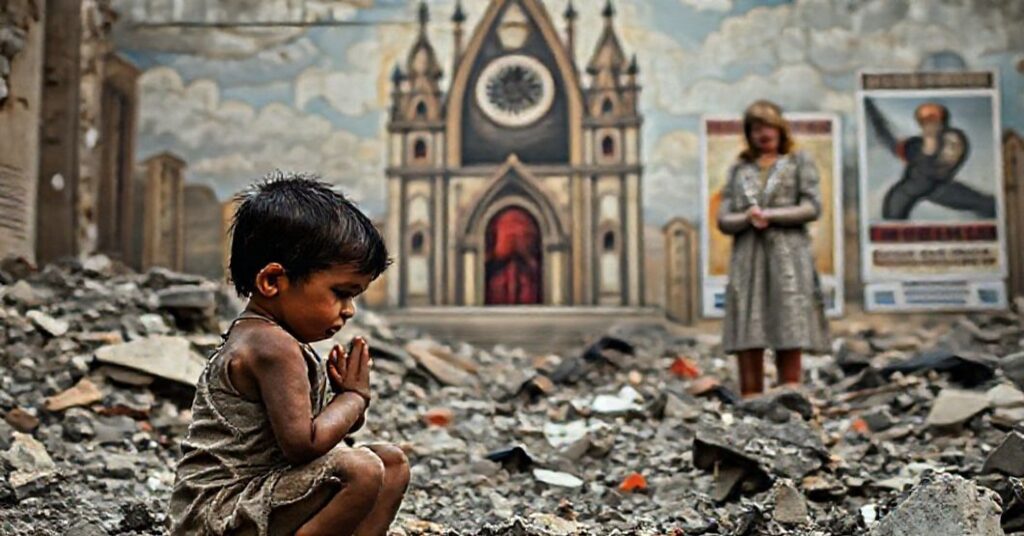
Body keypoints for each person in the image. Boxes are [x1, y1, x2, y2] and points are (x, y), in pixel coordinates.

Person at [168, 173, 405, 536]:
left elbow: (319, 434)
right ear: (273, 281)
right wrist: (354, 398)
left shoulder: (274, 339)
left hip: (259, 494)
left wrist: (342, 403)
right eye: (341, 293)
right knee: (362, 470)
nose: (349, 310)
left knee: (391, 463)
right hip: (217, 511)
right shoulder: (271, 346)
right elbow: (304, 444)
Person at [716, 100, 830, 398]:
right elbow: (724, 218)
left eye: (767, 126)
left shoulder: (797, 163)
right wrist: (747, 218)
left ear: (780, 129)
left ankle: (790, 394)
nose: (762, 134)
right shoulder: (739, 171)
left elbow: (812, 207)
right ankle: (750, 397)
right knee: (748, 317)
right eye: (755, 128)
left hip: (788, 254)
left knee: (788, 314)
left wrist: (772, 216)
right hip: (748, 255)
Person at [864, 99, 996, 220]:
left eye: (933, 119)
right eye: (924, 121)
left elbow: (941, 168)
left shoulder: (952, 138)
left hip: (938, 186)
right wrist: (872, 112)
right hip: (910, 190)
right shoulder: (916, 145)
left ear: (942, 120)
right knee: (893, 212)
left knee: (986, 205)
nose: (928, 124)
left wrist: (929, 149)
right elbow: (891, 141)